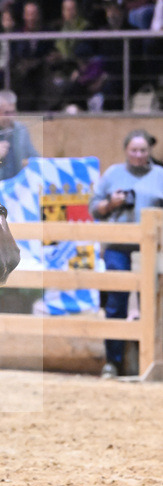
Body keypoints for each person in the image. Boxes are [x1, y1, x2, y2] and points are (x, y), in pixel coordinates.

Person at [89, 130, 163, 378]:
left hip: (151, 248)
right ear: (126, 151)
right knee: (116, 302)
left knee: (152, 303)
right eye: (134, 150)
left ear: (148, 152)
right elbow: (94, 208)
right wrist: (112, 203)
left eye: (143, 151)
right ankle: (113, 361)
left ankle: (149, 361)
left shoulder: (159, 175)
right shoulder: (112, 174)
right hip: (118, 245)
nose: (139, 155)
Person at [0, 89, 38, 181]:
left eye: (13, 112)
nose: (10, 117)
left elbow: (34, 157)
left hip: (17, 188)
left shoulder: (20, 130)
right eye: (6, 113)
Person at [10, 1, 53, 111]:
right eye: (28, 14)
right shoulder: (16, 34)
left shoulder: (48, 33)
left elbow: (51, 53)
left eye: (34, 14)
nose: (31, 18)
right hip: (22, 73)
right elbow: (13, 55)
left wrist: (37, 62)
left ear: (39, 15)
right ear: (24, 16)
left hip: (41, 71)